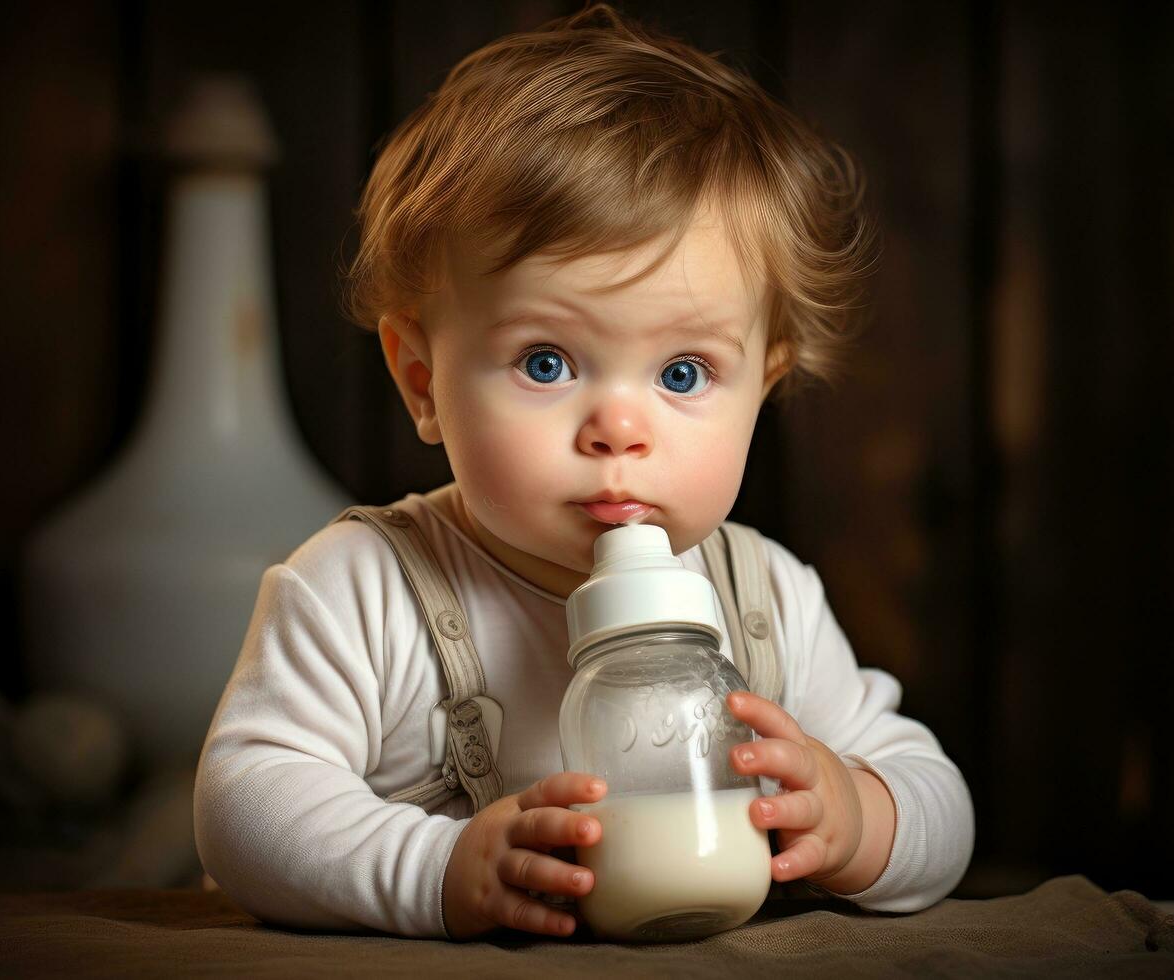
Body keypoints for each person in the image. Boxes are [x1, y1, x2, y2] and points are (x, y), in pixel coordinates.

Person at [193, 2, 973, 941]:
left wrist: (856, 815)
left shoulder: (766, 600)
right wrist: (433, 869)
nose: (618, 429)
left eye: (683, 374)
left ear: (761, 389)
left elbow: (944, 806)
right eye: (547, 363)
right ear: (421, 381)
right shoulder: (365, 590)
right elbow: (245, 805)